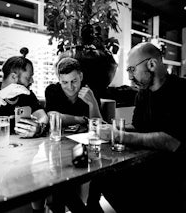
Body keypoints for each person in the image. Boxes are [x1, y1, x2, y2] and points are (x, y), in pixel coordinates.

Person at [86, 42, 186, 213]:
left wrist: (118, 136)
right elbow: (139, 127)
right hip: (147, 162)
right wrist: (112, 128)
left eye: (132, 69)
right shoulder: (142, 93)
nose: (130, 77)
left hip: (173, 173)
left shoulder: (181, 91)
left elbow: (172, 141)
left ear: (152, 64)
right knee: (100, 173)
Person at [0, 47, 48, 138]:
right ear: (14, 77)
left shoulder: (28, 95)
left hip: (19, 148)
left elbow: (42, 116)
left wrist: (40, 128)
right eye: (28, 77)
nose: (32, 81)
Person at [45, 56, 102, 128]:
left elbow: (99, 126)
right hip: (61, 136)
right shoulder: (52, 90)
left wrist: (93, 103)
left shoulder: (90, 91)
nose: (70, 87)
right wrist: (83, 120)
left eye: (74, 81)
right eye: (65, 82)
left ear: (81, 76)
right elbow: (52, 117)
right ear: (59, 79)